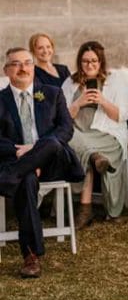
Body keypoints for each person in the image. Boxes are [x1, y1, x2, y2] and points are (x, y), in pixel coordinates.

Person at [0, 47, 83, 278]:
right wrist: (19, 153)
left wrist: (36, 151)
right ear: (6, 70)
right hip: (18, 162)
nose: (23, 68)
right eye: (16, 64)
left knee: (53, 144)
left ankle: (8, 178)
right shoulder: (0, 100)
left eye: (27, 63)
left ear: (33, 67)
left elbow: (66, 129)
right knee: (26, 180)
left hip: (52, 163)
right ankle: (31, 256)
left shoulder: (53, 93)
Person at [62, 41, 128, 228]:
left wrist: (103, 101)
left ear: (101, 62)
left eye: (94, 61)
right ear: (79, 62)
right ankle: (94, 157)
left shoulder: (114, 81)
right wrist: (79, 103)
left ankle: (85, 210)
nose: (89, 65)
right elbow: (61, 118)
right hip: (76, 133)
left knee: (84, 152)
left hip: (105, 135)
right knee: (77, 143)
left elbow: (121, 116)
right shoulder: (70, 82)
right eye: (85, 61)